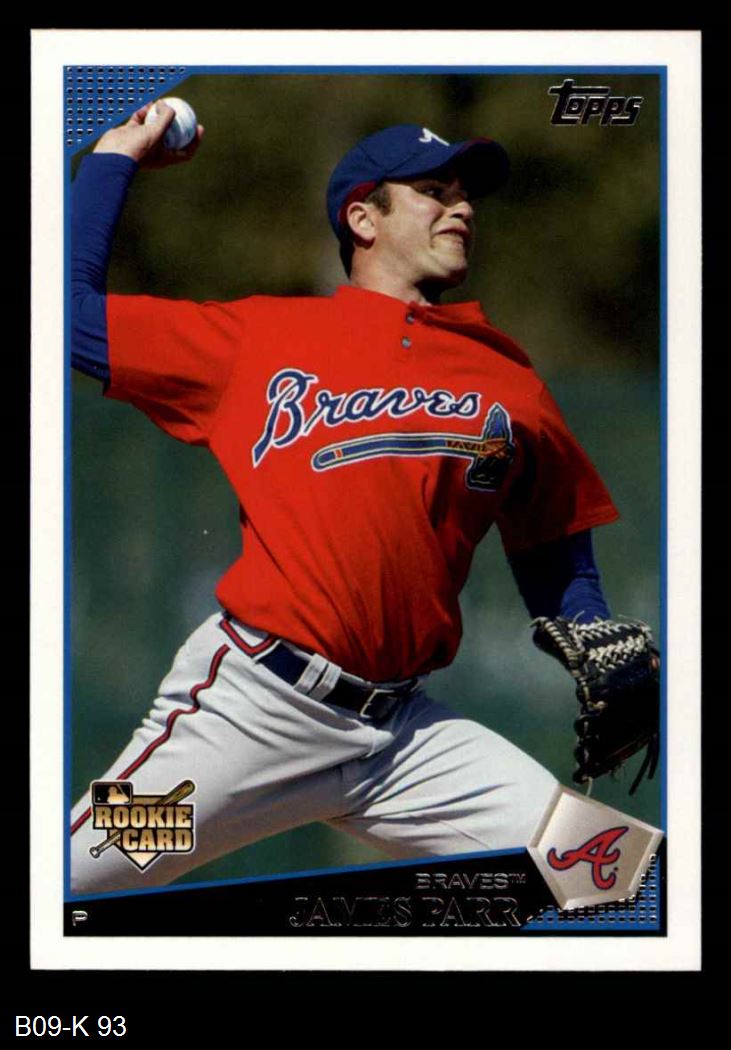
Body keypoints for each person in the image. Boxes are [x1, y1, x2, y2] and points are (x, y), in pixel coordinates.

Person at [69, 103, 628, 894]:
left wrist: (592, 633)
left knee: (611, 880)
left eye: (464, 195)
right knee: (68, 882)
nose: (461, 208)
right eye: (433, 192)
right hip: (251, 715)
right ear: (363, 218)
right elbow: (66, 317)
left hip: (404, 743)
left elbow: (553, 549)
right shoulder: (262, 339)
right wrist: (112, 159)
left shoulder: (505, 380)